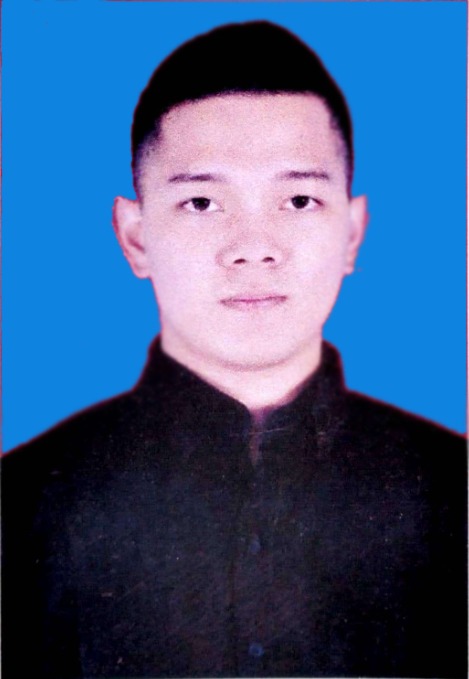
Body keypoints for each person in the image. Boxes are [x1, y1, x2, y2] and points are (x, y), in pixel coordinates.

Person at [2, 20, 466, 679]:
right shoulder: (18, 504)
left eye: (298, 199)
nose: (253, 247)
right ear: (135, 236)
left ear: (352, 232)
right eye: (201, 202)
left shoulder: (455, 490)